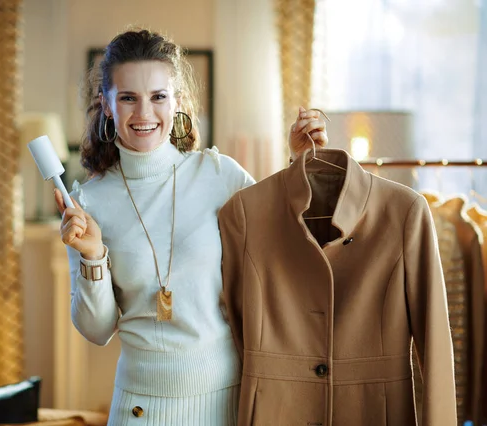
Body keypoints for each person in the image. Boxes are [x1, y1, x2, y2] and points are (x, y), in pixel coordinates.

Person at [54, 28, 328, 425]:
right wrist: (94, 256)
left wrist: (302, 162)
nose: (144, 113)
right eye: (128, 97)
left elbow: (291, 244)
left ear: (177, 102)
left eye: (158, 96)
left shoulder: (220, 175)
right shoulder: (89, 202)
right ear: (107, 105)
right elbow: (97, 330)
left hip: (226, 402)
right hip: (139, 408)